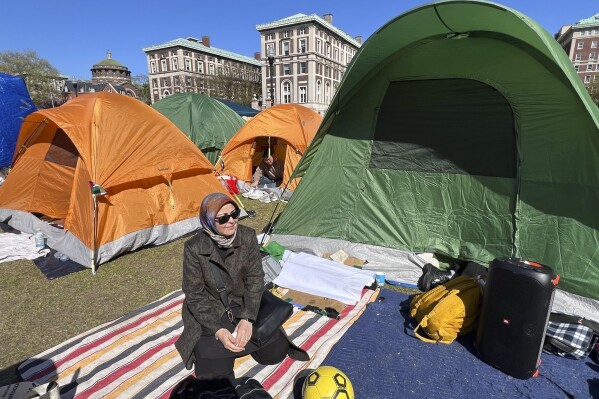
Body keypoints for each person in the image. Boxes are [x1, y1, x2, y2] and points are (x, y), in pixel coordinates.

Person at [175, 192, 308, 384]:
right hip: (212, 312)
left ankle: (240, 340)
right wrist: (218, 330)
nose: (231, 221)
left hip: (242, 304)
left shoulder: (247, 236)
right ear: (209, 221)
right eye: (223, 218)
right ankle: (220, 349)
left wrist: (247, 318)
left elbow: (255, 278)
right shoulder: (194, 247)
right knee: (215, 380)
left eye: (234, 213)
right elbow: (195, 295)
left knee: (274, 354)